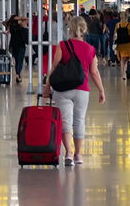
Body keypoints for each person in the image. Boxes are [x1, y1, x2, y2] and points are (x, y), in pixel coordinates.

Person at [43, 16, 105, 166]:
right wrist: (101, 90)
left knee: (65, 122)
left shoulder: (63, 45)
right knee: (79, 121)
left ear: (69, 29)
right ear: (84, 30)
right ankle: (78, 155)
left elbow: (54, 67)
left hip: (63, 89)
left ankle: (68, 153)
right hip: (82, 90)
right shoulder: (90, 49)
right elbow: (94, 72)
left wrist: (47, 86)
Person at [5, 15, 28, 83]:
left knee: (17, 61)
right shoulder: (21, 26)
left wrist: (12, 19)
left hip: (13, 45)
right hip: (21, 45)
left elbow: (4, 23)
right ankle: (18, 74)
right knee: (20, 61)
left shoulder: (11, 26)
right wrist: (20, 18)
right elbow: (26, 19)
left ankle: (18, 74)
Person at [114, 11, 130, 80]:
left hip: (120, 44)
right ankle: (125, 73)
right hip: (128, 44)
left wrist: (115, 43)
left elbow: (115, 35)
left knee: (122, 59)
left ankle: (123, 74)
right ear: (127, 17)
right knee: (128, 59)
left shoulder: (117, 25)